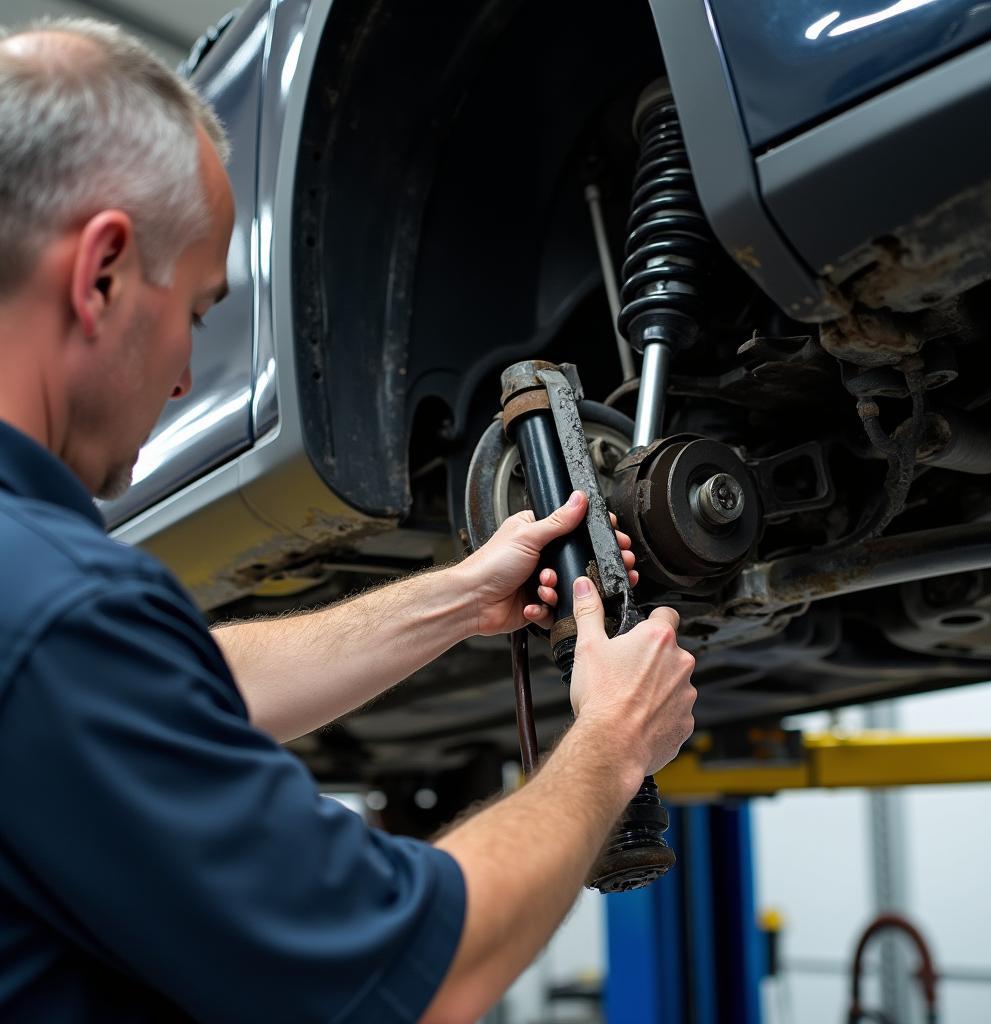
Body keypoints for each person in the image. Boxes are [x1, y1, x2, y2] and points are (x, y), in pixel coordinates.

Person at [0, 18, 698, 1024]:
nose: (189, 371)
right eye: (196, 311)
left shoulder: (41, 607)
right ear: (102, 271)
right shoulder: (61, 613)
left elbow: (177, 685)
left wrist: (459, 598)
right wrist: (611, 740)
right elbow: (423, 968)